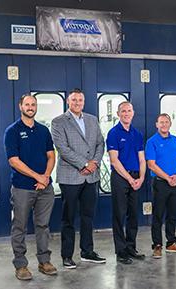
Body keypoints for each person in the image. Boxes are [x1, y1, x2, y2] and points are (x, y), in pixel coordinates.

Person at [4, 94, 57, 280]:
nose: (30, 107)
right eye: (27, 104)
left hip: (45, 188)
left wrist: (46, 177)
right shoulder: (12, 131)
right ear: (20, 106)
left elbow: (51, 155)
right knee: (19, 226)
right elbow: (14, 161)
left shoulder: (43, 130)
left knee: (43, 225)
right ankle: (21, 265)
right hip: (22, 188)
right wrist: (38, 177)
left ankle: (44, 261)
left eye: (33, 104)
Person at [51, 89, 106, 269]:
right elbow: (62, 148)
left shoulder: (92, 119)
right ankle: (67, 256)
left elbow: (100, 143)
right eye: (74, 100)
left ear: (84, 102)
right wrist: (84, 164)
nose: (77, 103)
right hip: (70, 176)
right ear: (68, 101)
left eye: (80, 100)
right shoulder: (58, 122)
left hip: (91, 177)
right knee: (68, 218)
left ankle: (87, 251)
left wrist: (94, 163)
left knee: (88, 216)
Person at [106, 102, 146, 264]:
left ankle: (131, 247)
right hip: (121, 178)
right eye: (123, 111)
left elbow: (142, 159)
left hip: (136, 177)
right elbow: (114, 161)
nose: (126, 114)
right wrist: (130, 179)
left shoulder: (137, 134)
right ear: (118, 113)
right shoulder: (113, 133)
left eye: (129, 111)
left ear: (133, 113)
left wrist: (141, 178)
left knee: (133, 215)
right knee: (119, 214)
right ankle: (121, 251)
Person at [146, 113, 176, 258]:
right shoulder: (152, 142)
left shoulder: (175, 140)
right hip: (160, 183)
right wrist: (167, 178)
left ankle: (171, 243)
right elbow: (151, 165)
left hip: (174, 182)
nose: (164, 124)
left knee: (172, 214)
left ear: (170, 124)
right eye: (161, 122)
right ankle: (157, 245)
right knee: (158, 215)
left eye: (166, 122)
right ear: (156, 125)